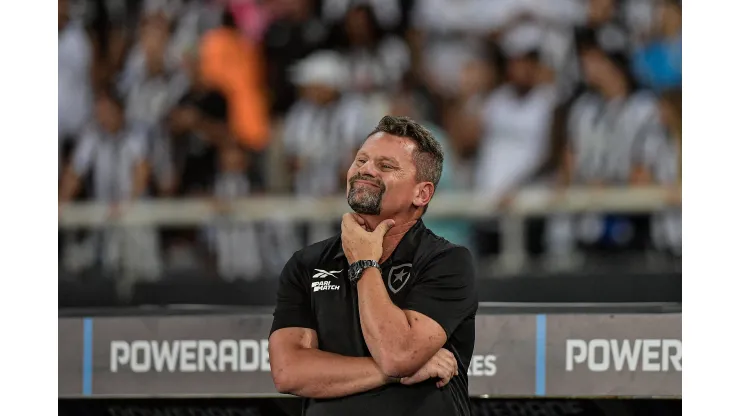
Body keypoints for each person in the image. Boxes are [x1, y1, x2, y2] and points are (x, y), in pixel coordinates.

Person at [269, 116, 478, 416]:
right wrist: (393, 373)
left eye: (386, 166)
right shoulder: (307, 263)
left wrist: (364, 262)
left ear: (422, 193)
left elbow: (397, 353)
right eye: (361, 160)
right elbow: (288, 371)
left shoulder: (447, 261)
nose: (365, 169)